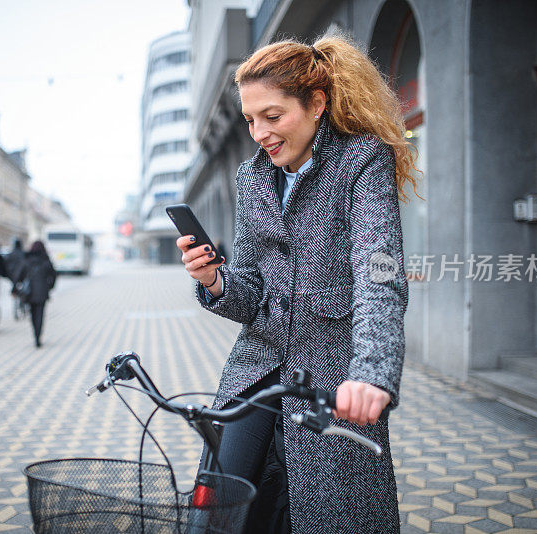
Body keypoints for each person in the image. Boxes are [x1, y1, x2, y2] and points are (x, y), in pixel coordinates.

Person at [177, 35, 418, 533]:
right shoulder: (251, 177)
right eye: (249, 119)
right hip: (254, 375)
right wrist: (215, 280)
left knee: (334, 518)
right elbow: (248, 292)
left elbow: (380, 276)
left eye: (273, 115)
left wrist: (372, 372)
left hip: (331, 378)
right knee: (217, 517)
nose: (260, 132)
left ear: (316, 104)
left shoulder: (360, 161)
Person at [17, 241, 56, 347]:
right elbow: (53, 275)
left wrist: (16, 287)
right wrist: (50, 286)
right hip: (42, 291)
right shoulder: (46, 259)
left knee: (33, 314)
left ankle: (35, 334)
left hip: (29, 292)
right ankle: (38, 336)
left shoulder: (27, 259)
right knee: (40, 315)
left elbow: (20, 275)